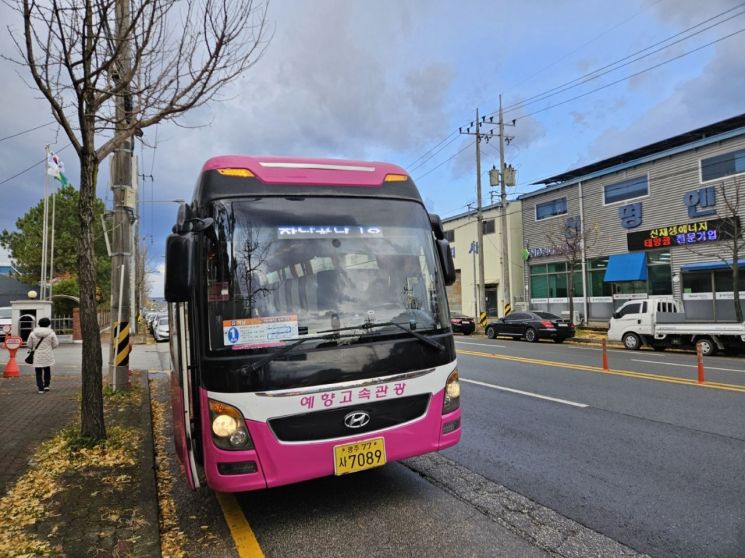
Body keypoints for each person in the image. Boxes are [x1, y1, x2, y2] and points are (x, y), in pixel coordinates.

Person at [27, 317, 59, 394]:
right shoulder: (51, 333)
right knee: (47, 370)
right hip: (47, 354)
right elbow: (55, 344)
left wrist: (33, 347)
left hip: (37, 354)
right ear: (49, 324)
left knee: (38, 372)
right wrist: (49, 348)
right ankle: (46, 386)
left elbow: (29, 345)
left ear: (39, 324)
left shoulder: (33, 333)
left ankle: (40, 388)